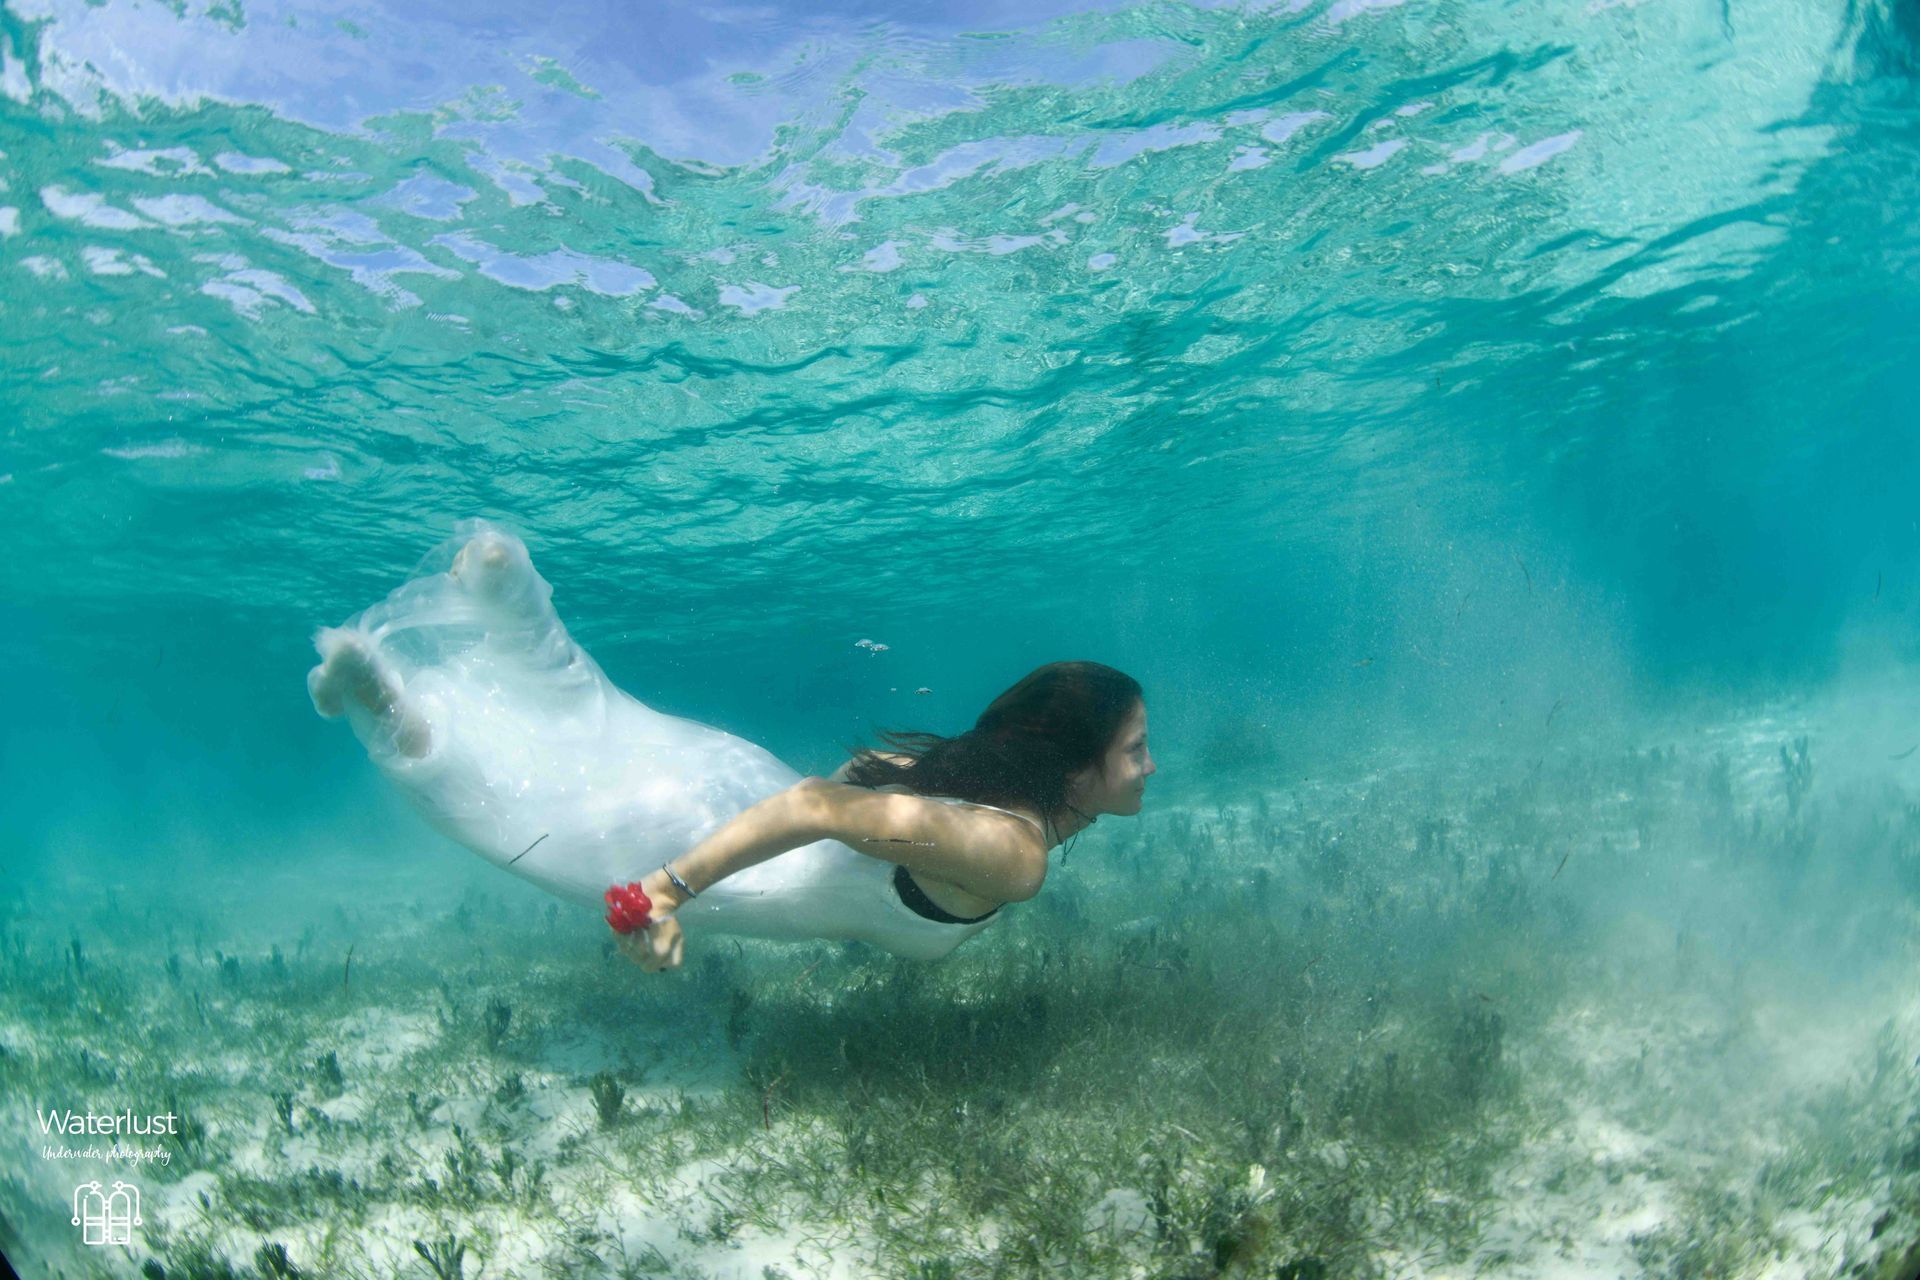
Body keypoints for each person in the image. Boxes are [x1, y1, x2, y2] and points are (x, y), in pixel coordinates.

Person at [307, 522, 1155, 972]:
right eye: (1135, 749)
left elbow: (836, 793)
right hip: (719, 854)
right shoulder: (1013, 854)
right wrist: (664, 892)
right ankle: (383, 701)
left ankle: (498, 606)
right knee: (505, 810)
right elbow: (819, 807)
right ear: (1074, 762)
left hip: (732, 783)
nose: (1150, 767)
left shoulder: (958, 779)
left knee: (593, 714)